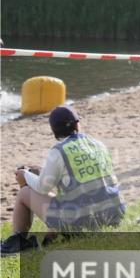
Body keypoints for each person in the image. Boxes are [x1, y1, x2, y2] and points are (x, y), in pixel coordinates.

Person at [2, 106, 125, 256]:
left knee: (24, 193)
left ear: (54, 130)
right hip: (113, 216)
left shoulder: (59, 151)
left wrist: (24, 174)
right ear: (77, 124)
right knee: (67, 196)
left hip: (83, 224)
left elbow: (42, 187)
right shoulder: (99, 145)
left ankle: (18, 242)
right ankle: (49, 235)